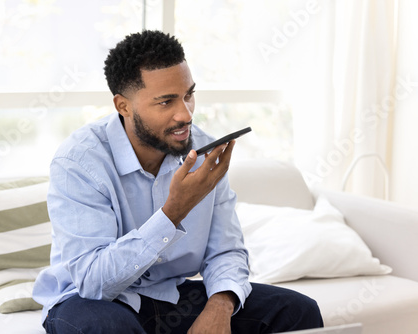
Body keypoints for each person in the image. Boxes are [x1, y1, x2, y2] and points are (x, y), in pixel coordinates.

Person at [33, 30, 323, 334]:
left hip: (170, 294)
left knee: (297, 311)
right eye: (166, 102)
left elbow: (226, 250)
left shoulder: (205, 153)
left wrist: (220, 306)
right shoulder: (79, 162)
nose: (184, 114)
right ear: (124, 106)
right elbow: (94, 281)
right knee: (107, 327)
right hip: (92, 300)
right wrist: (173, 212)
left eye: (188, 95)